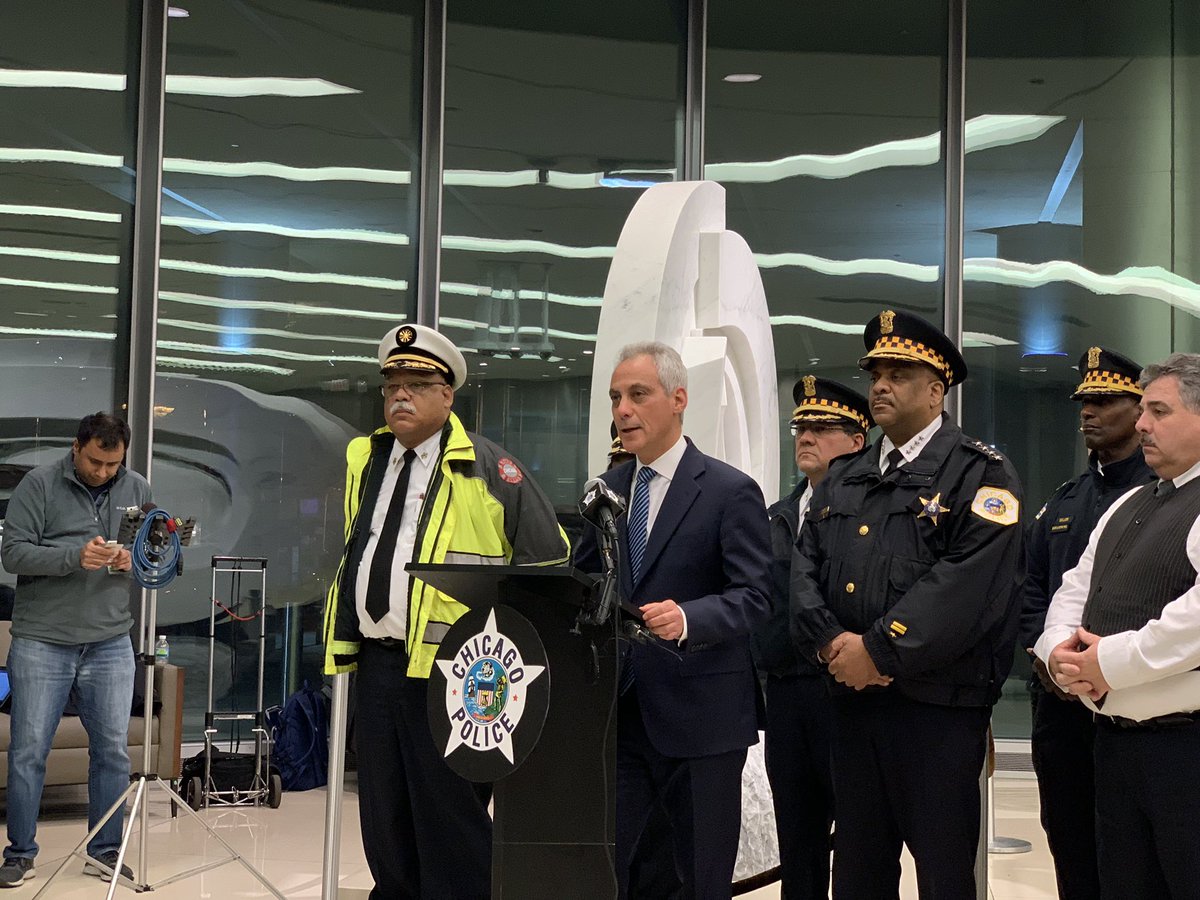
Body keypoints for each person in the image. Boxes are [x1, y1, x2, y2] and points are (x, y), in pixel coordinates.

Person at [322, 324, 569, 899]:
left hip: (453, 670)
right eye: (391, 387)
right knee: (383, 810)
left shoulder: (488, 468)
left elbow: (549, 559)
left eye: (416, 384)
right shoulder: (367, 457)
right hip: (378, 664)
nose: (399, 397)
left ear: (447, 395)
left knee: (448, 813)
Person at [790, 310, 1024, 899]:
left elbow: (966, 588)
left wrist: (878, 650)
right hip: (851, 707)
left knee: (944, 877)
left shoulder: (980, 473)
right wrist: (829, 642)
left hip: (936, 715)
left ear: (936, 389)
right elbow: (804, 569)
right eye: (876, 373)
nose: (880, 385)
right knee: (859, 875)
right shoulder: (846, 477)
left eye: (898, 373)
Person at [574, 341, 771, 899]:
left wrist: (688, 618)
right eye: (616, 398)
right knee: (616, 873)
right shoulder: (607, 493)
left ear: (679, 398)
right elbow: (586, 584)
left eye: (639, 394)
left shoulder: (730, 491)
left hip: (702, 720)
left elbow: (755, 597)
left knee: (699, 876)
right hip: (621, 715)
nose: (623, 410)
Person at [1037, 352, 1200, 899]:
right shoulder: (1129, 501)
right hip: (1115, 748)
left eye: (1158, 410)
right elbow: (1072, 590)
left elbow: (1194, 620)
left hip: (1186, 752)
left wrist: (1106, 663)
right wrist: (1060, 655)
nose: (1142, 424)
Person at [1020, 347, 1153, 900]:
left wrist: (1106, 667)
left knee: (1134, 855)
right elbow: (1029, 595)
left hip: (1135, 708)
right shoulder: (1062, 502)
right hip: (1062, 708)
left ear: (1140, 407)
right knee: (1070, 843)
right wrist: (1051, 662)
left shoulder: (1163, 495)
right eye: (1084, 402)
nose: (1088, 413)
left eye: (1103, 401)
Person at [0, 412, 150, 888]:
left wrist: (134, 558)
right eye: (95, 462)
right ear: (75, 447)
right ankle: (20, 853)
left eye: (113, 464)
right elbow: (13, 553)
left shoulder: (138, 488)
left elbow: (153, 552)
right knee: (28, 752)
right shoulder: (39, 486)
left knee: (112, 752)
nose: (104, 472)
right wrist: (73, 556)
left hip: (110, 641)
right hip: (42, 640)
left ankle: (105, 852)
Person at [753, 375, 869, 899]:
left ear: (857, 441)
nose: (805, 436)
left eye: (823, 428)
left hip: (847, 692)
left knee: (859, 841)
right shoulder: (776, 517)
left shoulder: (872, 514)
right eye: (801, 426)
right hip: (786, 695)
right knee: (797, 838)